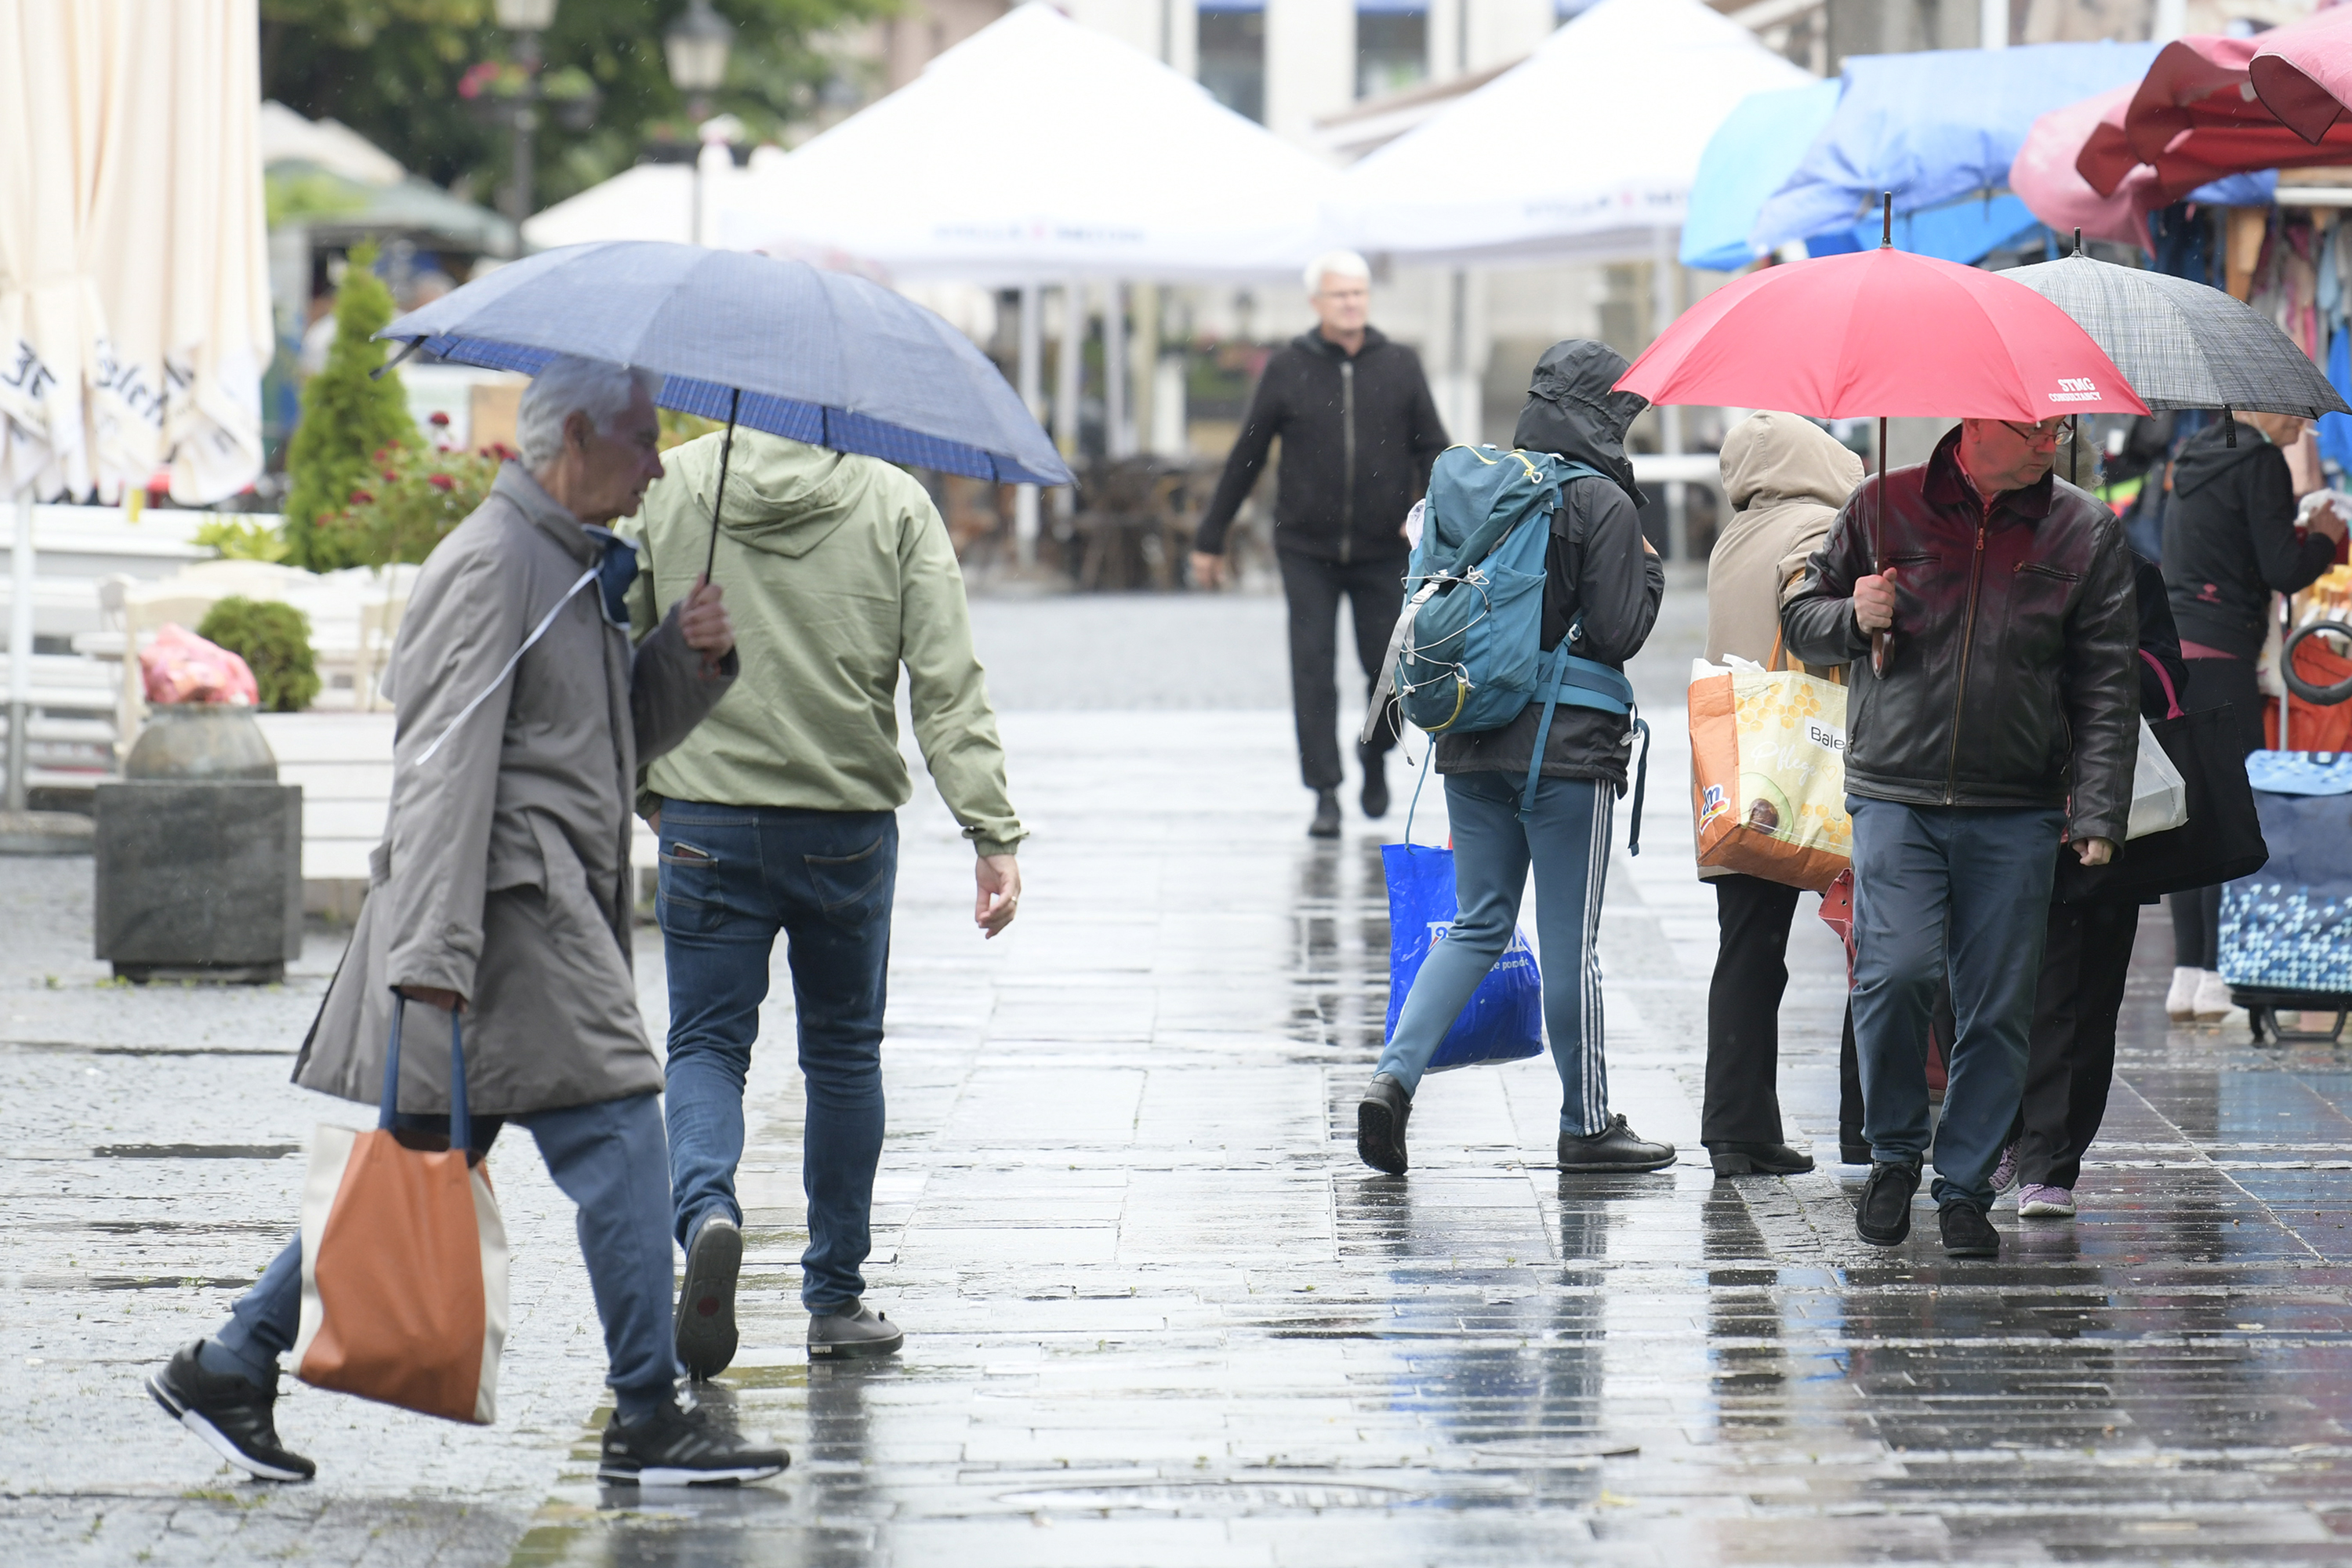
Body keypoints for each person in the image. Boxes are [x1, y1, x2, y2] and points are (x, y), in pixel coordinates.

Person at [145, 356, 788, 1486]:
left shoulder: (564, 565)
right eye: (641, 442)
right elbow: (441, 774)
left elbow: (600, 749)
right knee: (627, 1131)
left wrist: (685, 659)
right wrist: (431, 958)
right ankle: (645, 1414)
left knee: (422, 1154)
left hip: (526, 917)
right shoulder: (497, 566)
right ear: (575, 439)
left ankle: (230, 1361)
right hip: (508, 926)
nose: (654, 468)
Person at [619, 426, 1025, 1380]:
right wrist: (990, 829)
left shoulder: (670, 485)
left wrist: (645, 784)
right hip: (842, 825)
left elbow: (620, 649)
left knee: (708, 1043)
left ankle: (708, 1210)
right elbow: (945, 682)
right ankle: (835, 1298)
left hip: (704, 814)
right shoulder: (893, 500)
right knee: (842, 1051)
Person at [1783, 416, 2136, 1261]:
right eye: (2034, 425)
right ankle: (1897, 1153)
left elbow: (2107, 681)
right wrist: (1850, 612)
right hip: (1895, 790)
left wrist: (2097, 811)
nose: (2053, 437)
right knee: (1896, 972)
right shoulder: (1880, 504)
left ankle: (1967, 1185)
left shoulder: (2085, 528)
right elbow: (1801, 617)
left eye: (2062, 424)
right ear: (1979, 421)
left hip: (2018, 804)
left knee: (1998, 1007)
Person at [1356, 340, 1671, 1177]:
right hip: (1568, 750)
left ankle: (1393, 1078)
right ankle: (1587, 1123)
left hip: (1468, 736)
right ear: (1608, 411)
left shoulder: (1478, 482)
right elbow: (1616, 632)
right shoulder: (1603, 500)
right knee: (1571, 944)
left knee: (1477, 922)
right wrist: (1651, 571)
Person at [1189, 249, 1449, 839]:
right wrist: (1210, 538)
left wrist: (1435, 520)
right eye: (1340, 294)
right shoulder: (1288, 368)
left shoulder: (1400, 365)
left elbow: (1434, 448)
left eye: (1359, 293)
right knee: (1312, 669)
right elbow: (1247, 456)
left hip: (1385, 548)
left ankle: (1375, 757)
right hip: (1306, 547)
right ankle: (1325, 791)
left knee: (1386, 667)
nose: (1352, 302)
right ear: (1317, 303)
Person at [1994, 557, 2189, 1220]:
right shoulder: (1971, 560)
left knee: (2082, 999)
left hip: (2107, 811)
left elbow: (2167, 683)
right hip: (1996, 807)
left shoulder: (2127, 571)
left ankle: (2050, 1159)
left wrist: (2097, 664)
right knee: (1985, 991)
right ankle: (2007, 1131)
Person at [1697, 412, 1863, 1178]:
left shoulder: (1738, 531)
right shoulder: (1815, 523)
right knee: (1877, 939)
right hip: (1805, 760)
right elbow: (1810, 616)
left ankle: (1738, 1126)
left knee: (1749, 952)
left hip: (1741, 763)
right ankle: (1868, 1127)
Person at [2158, 412, 2347, 1022]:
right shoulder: (2259, 460)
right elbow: (2282, 570)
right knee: (2227, 817)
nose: (2304, 426)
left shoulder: (2195, 455)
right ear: (2261, 410)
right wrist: (2321, 532)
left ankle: (2188, 975)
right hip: (2225, 656)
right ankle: (2216, 975)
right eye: (2296, 414)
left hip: (2179, 653)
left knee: (2188, 816)